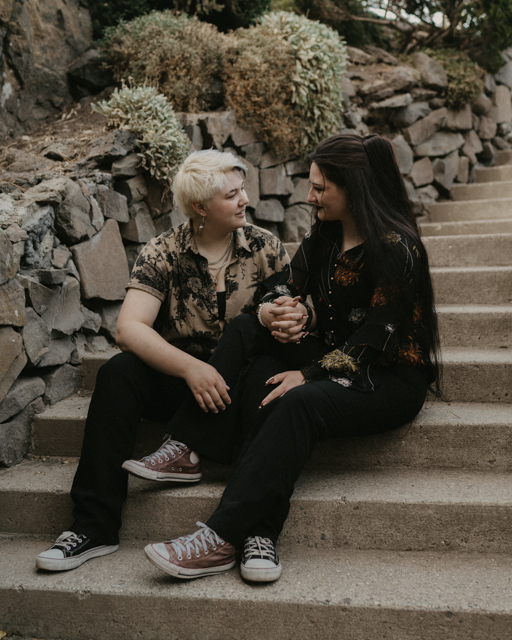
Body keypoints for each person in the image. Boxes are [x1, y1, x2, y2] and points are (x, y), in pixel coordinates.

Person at [137, 133, 442, 583]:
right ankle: (188, 446)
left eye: (320, 188)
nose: (310, 195)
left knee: (297, 399)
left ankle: (220, 539)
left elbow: (375, 340)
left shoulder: (398, 248)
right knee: (249, 331)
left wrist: (308, 373)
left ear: (353, 188)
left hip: (388, 378)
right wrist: (279, 308)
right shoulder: (326, 233)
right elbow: (283, 280)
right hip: (332, 353)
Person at [35, 149, 289, 572]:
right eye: (233, 194)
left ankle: (254, 529)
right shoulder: (163, 251)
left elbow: (286, 317)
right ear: (200, 207)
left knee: (269, 377)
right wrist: (191, 368)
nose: (246, 199)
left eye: (243, 189)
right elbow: (129, 329)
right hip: (184, 384)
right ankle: (93, 526)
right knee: (118, 372)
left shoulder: (267, 248)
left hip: (244, 390)